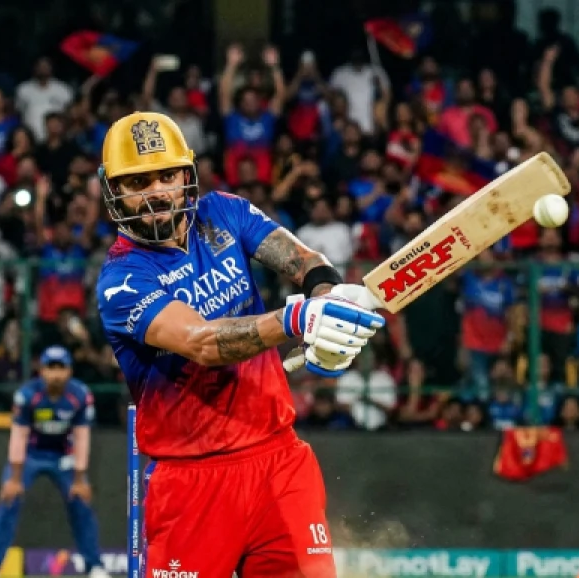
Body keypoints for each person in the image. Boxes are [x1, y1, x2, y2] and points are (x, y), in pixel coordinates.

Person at [96, 111, 385, 577]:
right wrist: (298, 318)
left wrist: (327, 303)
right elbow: (203, 343)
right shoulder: (122, 280)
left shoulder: (223, 212)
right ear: (114, 192)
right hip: (192, 481)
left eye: (167, 175)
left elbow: (304, 261)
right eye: (138, 182)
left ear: (186, 175)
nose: (156, 193)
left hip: (279, 461)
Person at [0, 346, 107, 578]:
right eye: (51, 368)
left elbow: (81, 437)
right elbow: (19, 436)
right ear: (41, 370)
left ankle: (95, 566)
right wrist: (15, 479)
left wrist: (79, 479)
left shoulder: (80, 395)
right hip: (31, 455)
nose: (56, 374)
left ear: (70, 371)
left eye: (61, 368)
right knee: (9, 499)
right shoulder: (27, 395)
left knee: (82, 503)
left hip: (63, 456)